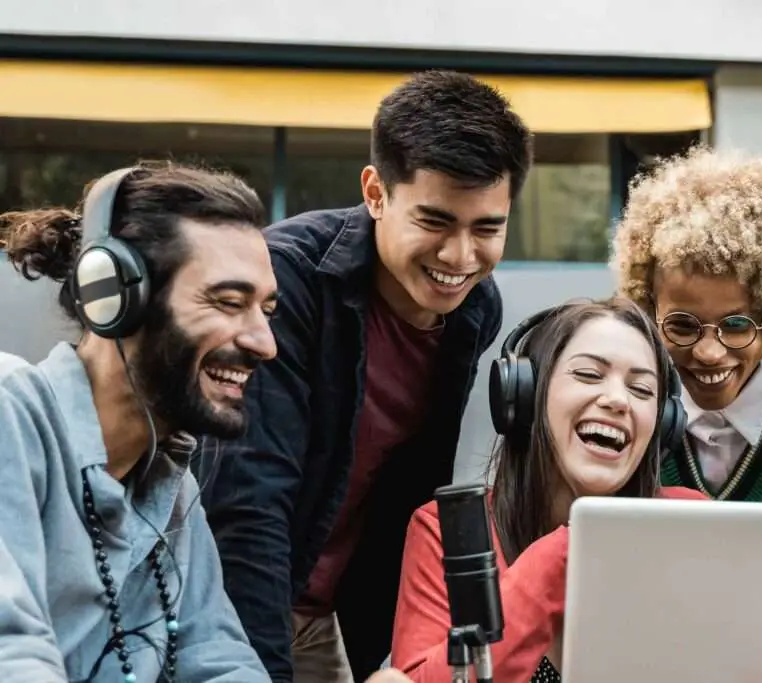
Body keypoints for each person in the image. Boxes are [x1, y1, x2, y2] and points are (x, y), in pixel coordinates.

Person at [196, 69, 533, 682]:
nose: (460, 258)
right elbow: (249, 499)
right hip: (222, 603)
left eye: (487, 227)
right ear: (376, 193)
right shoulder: (284, 281)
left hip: (329, 616)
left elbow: (408, 495)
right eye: (434, 222)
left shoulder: (476, 309)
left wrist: (399, 657)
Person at [0, 162, 277, 682]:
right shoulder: (9, 410)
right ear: (117, 300)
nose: (265, 343)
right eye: (229, 302)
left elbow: (219, 660)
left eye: (266, 309)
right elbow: (9, 653)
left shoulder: (171, 483)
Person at [390, 298, 706, 682]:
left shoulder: (688, 523)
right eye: (589, 375)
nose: (618, 400)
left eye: (641, 390)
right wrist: (564, 553)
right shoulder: (452, 532)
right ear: (526, 396)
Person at [612, 146, 762, 505]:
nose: (709, 353)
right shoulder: (626, 407)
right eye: (682, 326)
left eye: (736, 326)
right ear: (650, 309)